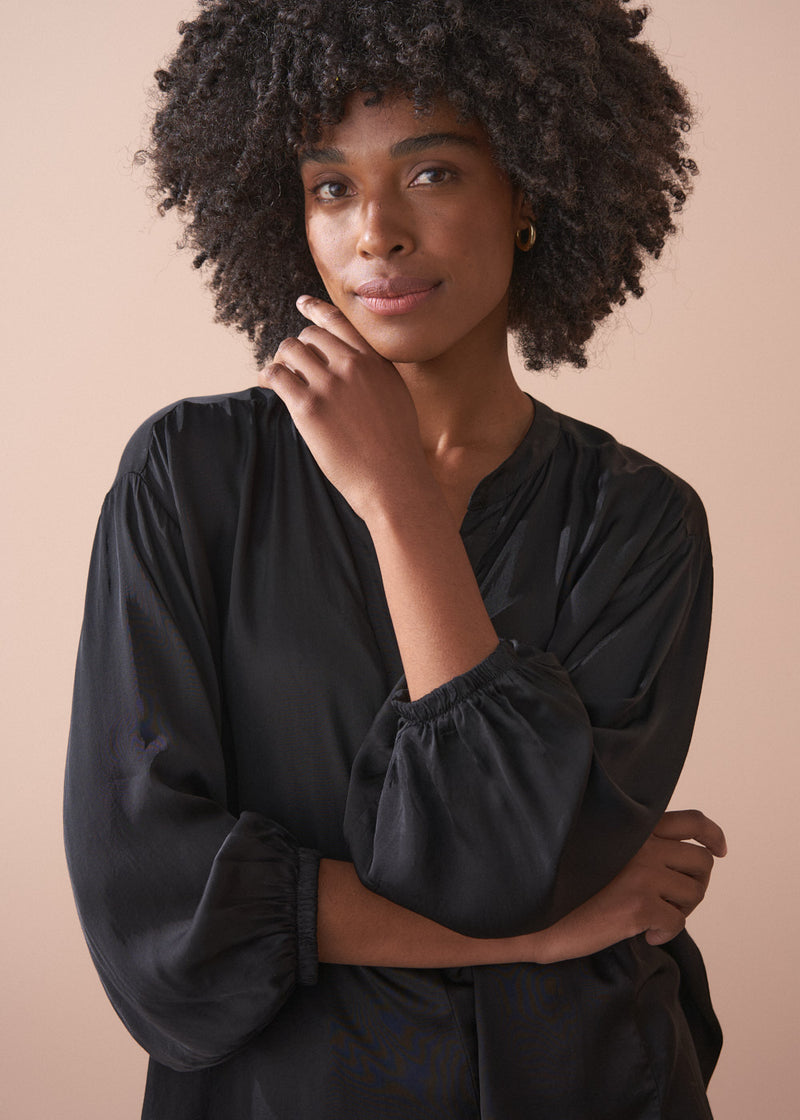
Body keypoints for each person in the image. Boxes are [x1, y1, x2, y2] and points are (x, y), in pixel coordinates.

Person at [64, 2, 727, 1117]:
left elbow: (500, 861)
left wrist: (397, 501)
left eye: (429, 175)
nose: (373, 230)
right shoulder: (189, 478)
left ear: (527, 191)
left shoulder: (638, 523)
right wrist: (544, 934)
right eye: (331, 186)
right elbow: (153, 898)